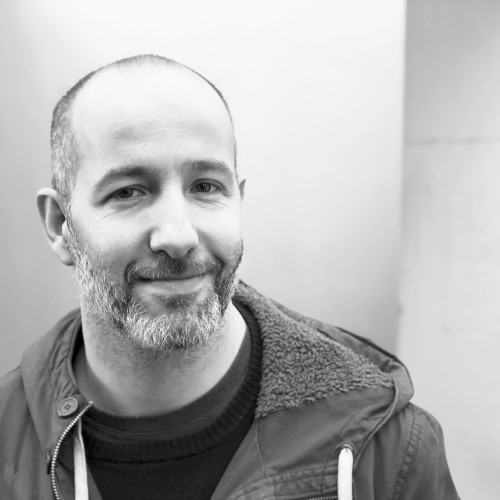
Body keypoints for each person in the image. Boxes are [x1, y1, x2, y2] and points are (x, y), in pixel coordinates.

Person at [0, 54, 459, 500]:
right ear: (60, 225)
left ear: (238, 201)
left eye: (205, 187)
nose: (178, 236)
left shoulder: (385, 448)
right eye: (128, 192)